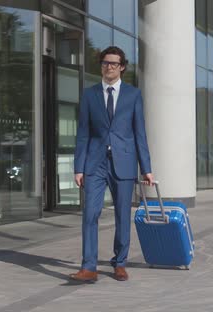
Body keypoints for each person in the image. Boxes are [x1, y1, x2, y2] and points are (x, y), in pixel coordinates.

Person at [70, 46, 154, 282]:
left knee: (122, 215)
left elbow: (140, 133)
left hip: (124, 162)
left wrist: (146, 167)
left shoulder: (133, 95)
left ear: (122, 67)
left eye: (114, 64)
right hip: (95, 163)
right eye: (106, 63)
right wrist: (79, 167)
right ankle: (89, 267)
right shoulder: (89, 94)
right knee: (90, 214)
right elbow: (83, 133)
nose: (109, 67)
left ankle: (120, 263)